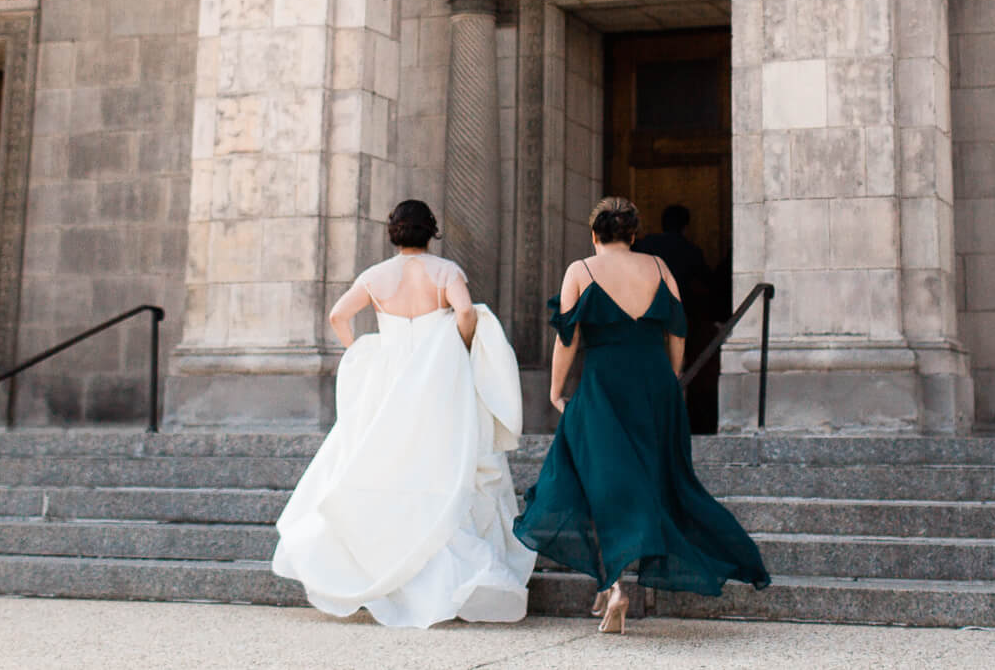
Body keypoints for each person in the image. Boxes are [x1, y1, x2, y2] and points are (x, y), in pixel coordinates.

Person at [271, 200, 534, 627]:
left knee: (387, 463)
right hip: (437, 382)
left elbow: (339, 315)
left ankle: (380, 566)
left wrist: (361, 350)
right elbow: (465, 311)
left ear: (393, 232)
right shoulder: (446, 271)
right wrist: (461, 345)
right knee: (440, 464)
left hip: (390, 381)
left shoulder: (375, 276)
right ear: (431, 231)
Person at [513, 196, 768, 634]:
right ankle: (608, 578)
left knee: (593, 477)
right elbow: (677, 331)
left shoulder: (582, 270)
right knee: (652, 479)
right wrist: (671, 379)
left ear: (595, 234)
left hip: (604, 384)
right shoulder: (659, 267)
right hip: (654, 386)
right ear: (633, 235)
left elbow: (568, 339)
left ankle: (613, 584)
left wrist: (556, 391)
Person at [634, 205, 722, 433]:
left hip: (642, 319)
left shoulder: (644, 246)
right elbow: (708, 282)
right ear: (685, 227)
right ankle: (674, 424)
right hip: (676, 320)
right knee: (676, 372)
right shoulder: (690, 250)